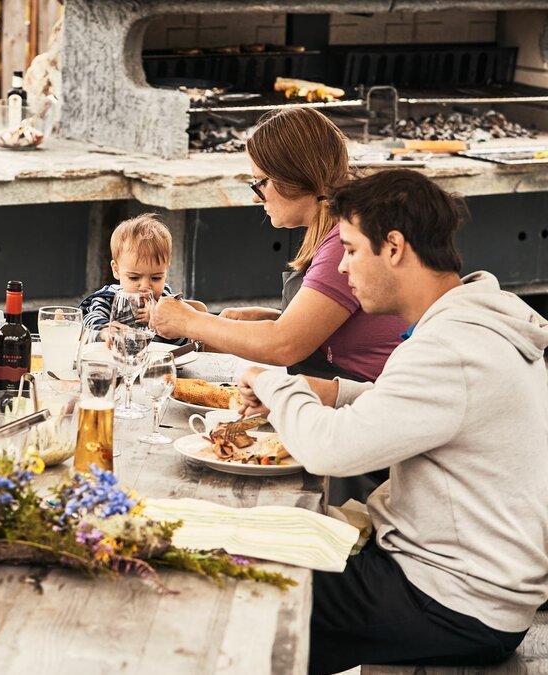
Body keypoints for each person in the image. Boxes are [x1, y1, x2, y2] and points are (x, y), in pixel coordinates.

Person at [235, 169, 548, 674]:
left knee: (239, 601)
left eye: (352, 250)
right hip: (460, 582)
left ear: (395, 247)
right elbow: (419, 406)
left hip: (452, 601)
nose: (341, 270)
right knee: (259, 556)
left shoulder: (451, 348)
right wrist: (331, 391)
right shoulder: (473, 323)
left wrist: (275, 380)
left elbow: (330, 450)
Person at [152, 107, 407, 383]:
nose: (256, 197)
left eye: (259, 182)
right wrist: (276, 318)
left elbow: (285, 345)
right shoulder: (338, 225)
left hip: (367, 404)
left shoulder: (345, 239)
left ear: (293, 176)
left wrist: (190, 322)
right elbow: (335, 330)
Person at [78, 213, 189, 344]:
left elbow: (184, 343)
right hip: (114, 361)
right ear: (116, 270)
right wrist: (105, 330)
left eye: (156, 278)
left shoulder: (167, 302)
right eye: (134, 277)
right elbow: (88, 322)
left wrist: (159, 322)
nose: (145, 286)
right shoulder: (109, 298)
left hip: (157, 363)